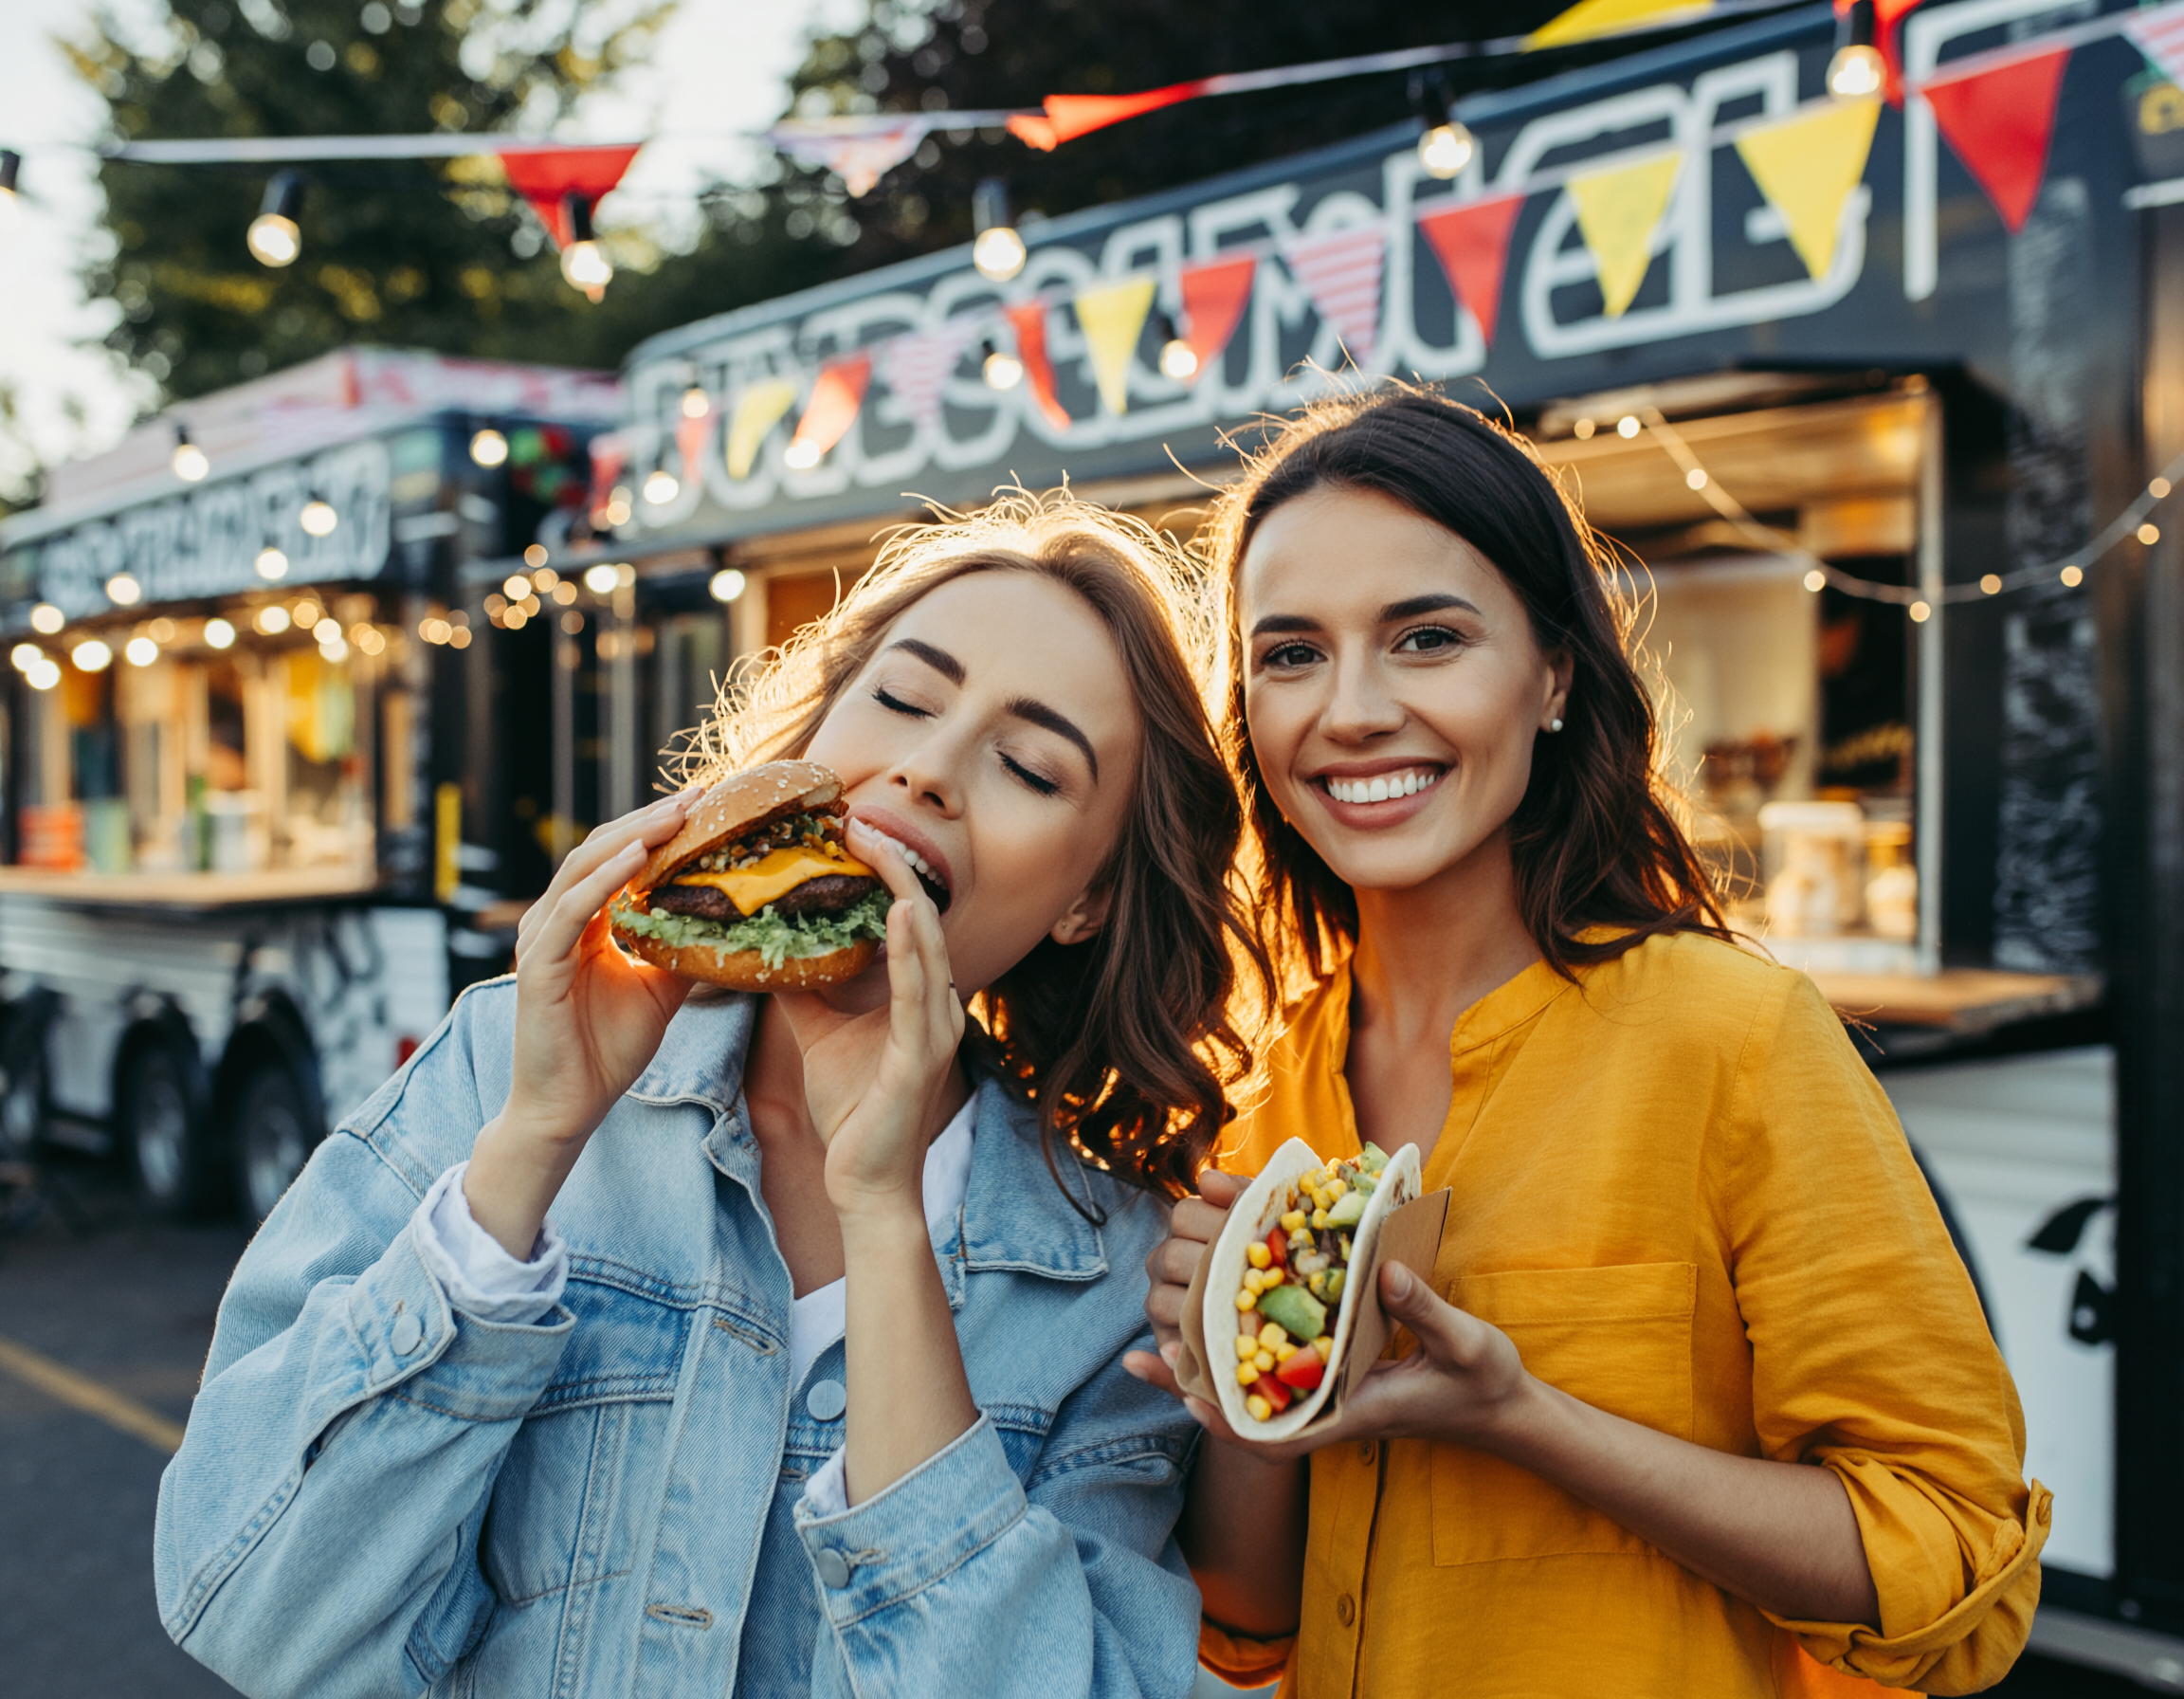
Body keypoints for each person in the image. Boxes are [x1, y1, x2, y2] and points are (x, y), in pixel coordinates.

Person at [155, 492, 1265, 1699]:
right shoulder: (500, 1065)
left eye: (1029, 767)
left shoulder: (1111, 1286)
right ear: (811, 744)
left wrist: (883, 1216)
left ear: (1086, 901)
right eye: (902, 699)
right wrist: (533, 1142)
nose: (929, 769)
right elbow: (249, 1612)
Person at [1128, 389, 2047, 1698]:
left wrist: (1525, 1419)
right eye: (1291, 654)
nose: (1353, 709)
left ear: (1554, 674)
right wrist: (1238, 1393)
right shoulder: (1258, 1095)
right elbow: (1248, 1617)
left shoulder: (1732, 1040)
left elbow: (1950, 1555)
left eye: (1427, 638)